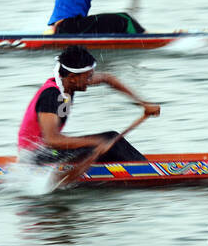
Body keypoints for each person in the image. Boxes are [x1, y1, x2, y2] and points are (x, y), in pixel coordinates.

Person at [18, 45, 160, 163]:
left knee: (109, 140)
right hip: (35, 158)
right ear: (73, 77)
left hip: (51, 151)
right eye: (88, 77)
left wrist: (143, 103)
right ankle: (146, 170)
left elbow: (107, 78)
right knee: (109, 138)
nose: (91, 80)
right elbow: (52, 139)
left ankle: (136, 167)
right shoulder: (51, 96)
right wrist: (96, 142)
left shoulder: (68, 82)